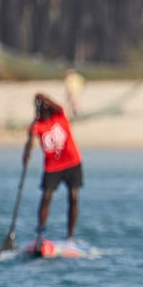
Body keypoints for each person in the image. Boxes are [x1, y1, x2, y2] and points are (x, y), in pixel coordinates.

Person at [23, 93, 83, 244]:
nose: (41, 114)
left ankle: (70, 236)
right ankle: (41, 233)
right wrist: (27, 152)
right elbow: (30, 139)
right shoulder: (37, 125)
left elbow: (55, 105)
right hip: (52, 167)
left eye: (43, 111)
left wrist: (42, 98)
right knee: (46, 197)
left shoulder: (60, 115)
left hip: (72, 162)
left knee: (73, 197)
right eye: (39, 112)